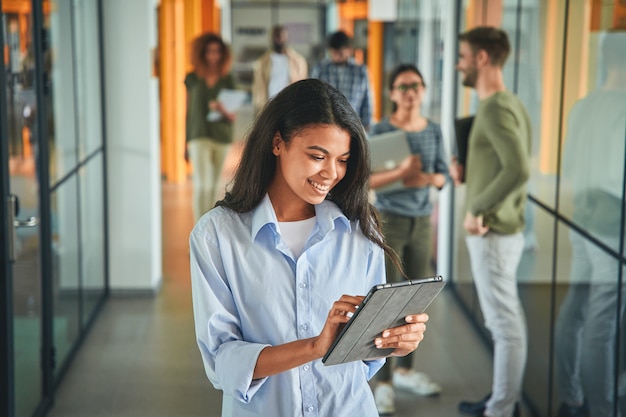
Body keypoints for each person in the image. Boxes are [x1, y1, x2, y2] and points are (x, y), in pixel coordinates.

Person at [189, 79, 430, 417]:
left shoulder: (360, 229)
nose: (331, 173)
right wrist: (315, 347)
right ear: (277, 143)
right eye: (318, 156)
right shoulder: (217, 235)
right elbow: (222, 362)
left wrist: (392, 341)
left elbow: (362, 359)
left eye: (343, 159)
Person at [453, 27, 530, 417]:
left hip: (494, 232)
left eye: (464, 56)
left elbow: (517, 169)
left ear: (482, 58)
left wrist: (476, 206)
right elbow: (500, 163)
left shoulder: (497, 106)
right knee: (505, 321)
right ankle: (502, 400)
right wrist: (468, 171)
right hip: (498, 230)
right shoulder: (503, 103)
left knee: (504, 326)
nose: (459, 64)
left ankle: (501, 409)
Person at [369, 63, 448, 414]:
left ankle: (406, 371)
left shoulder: (433, 130)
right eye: (402, 86)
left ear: (423, 89)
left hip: (421, 222)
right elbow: (367, 181)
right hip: (389, 220)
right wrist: (402, 173)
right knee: (387, 302)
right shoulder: (381, 130)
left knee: (416, 302)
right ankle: (383, 381)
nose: (410, 92)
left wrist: (424, 178)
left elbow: (444, 176)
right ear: (392, 93)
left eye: (415, 85)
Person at [554, 31, 626, 417]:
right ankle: (603, 410)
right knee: (601, 324)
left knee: (576, 310)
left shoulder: (584, 106)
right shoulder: (622, 108)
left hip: (580, 219)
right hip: (611, 225)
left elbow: (570, 165)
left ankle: (571, 395)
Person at [185, 33, 237, 222]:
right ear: (201, 53)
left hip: (222, 136)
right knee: (202, 185)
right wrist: (185, 142)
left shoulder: (227, 79)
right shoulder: (192, 78)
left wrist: (220, 107)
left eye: (217, 52)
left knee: (214, 186)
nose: (213, 56)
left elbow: (232, 116)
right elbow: (188, 110)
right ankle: (199, 231)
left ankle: (208, 230)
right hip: (198, 135)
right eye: (209, 51)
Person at [310, 30, 372, 130]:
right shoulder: (320, 70)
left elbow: (366, 99)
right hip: (326, 124)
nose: (337, 56)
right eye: (334, 52)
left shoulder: (360, 71)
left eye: (340, 52)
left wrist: (367, 124)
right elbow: (312, 98)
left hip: (353, 124)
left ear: (349, 50)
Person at [251, 25, 307, 114]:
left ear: (287, 37)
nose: (279, 39)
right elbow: (258, 90)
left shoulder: (298, 61)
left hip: (290, 107)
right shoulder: (262, 63)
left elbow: (302, 86)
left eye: (282, 35)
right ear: (271, 38)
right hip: (269, 108)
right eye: (276, 36)